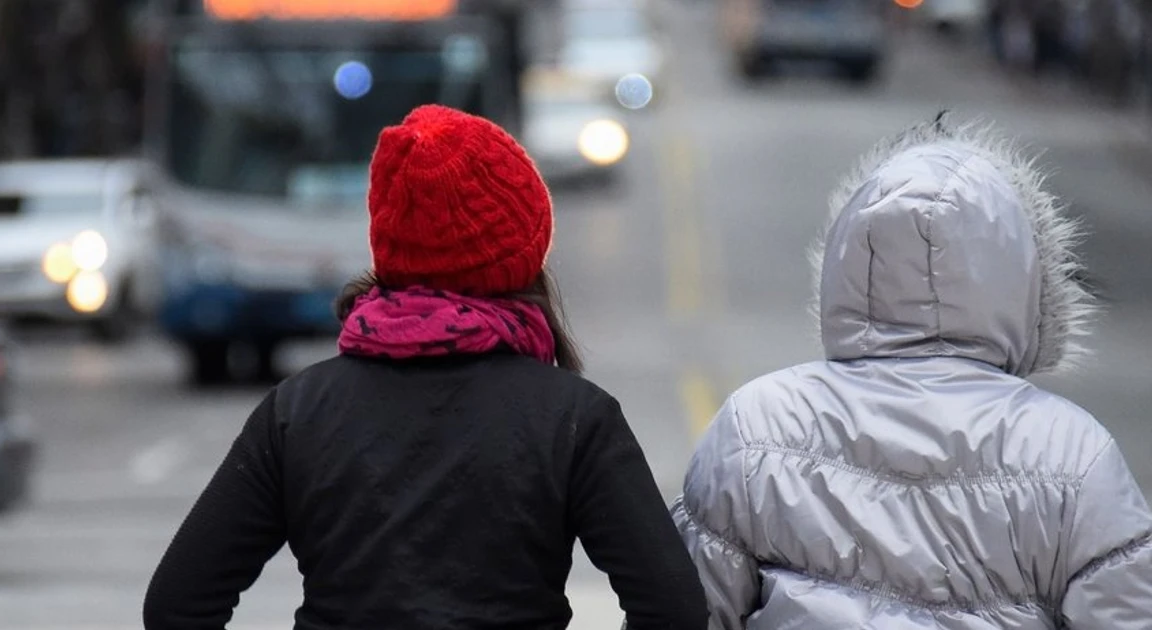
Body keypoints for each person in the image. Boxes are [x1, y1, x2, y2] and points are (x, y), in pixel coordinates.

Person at [144, 104, 708, 630]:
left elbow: (177, 604)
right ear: (521, 253)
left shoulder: (296, 412)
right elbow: (674, 608)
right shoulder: (574, 417)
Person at [672, 114, 1152, 628]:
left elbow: (687, 609)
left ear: (849, 260)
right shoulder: (1073, 453)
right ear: (1024, 277)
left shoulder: (755, 426)